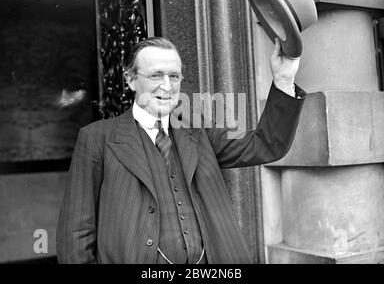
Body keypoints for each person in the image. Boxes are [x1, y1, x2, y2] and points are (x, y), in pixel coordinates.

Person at [56, 36, 305, 264]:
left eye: (174, 76)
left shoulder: (198, 133)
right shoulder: (97, 138)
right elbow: (76, 232)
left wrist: (283, 80)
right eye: (156, 76)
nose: (167, 86)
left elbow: (265, 145)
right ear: (131, 80)